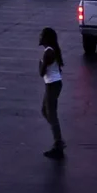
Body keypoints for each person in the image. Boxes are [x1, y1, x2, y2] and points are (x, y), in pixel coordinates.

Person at [38, 26, 66, 158]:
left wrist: (40, 63)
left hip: (52, 85)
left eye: (41, 35)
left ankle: (58, 143)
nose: (39, 37)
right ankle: (58, 138)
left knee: (51, 113)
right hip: (53, 84)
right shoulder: (52, 50)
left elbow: (41, 72)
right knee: (45, 110)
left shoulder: (48, 52)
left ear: (46, 38)